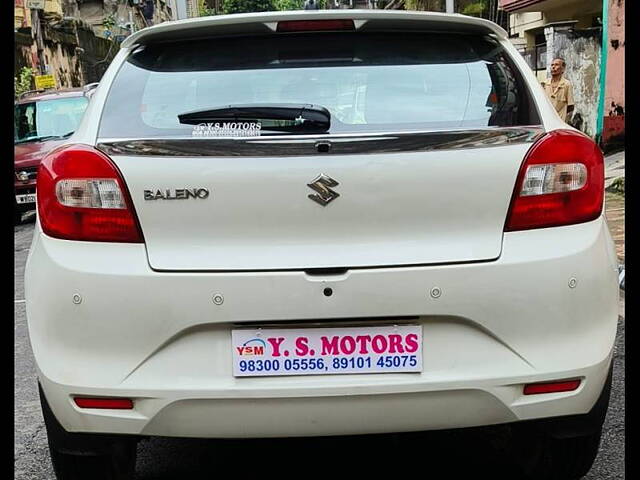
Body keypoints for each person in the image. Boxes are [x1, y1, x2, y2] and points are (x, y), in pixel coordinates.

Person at [541, 58, 575, 122]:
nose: (553, 67)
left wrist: (565, 120)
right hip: (546, 121)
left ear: (563, 69)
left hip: (559, 123)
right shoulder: (545, 84)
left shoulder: (566, 84)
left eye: (556, 65)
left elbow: (570, 106)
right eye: (552, 65)